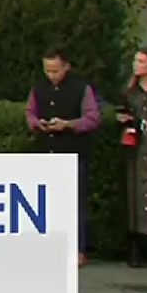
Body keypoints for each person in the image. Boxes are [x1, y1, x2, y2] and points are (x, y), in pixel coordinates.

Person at [27, 49, 101, 266]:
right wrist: (35, 123)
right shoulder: (38, 89)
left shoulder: (81, 88)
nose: (51, 75)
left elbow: (92, 118)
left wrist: (69, 124)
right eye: (47, 70)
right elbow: (29, 111)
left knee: (75, 204)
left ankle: (78, 249)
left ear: (66, 66)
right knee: (46, 203)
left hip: (72, 152)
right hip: (46, 151)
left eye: (55, 70)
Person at [113, 45, 147, 268]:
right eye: (136, 61)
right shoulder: (130, 92)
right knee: (136, 192)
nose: (137, 65)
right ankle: (137, 245)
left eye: (142, 61)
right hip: (137, 146)